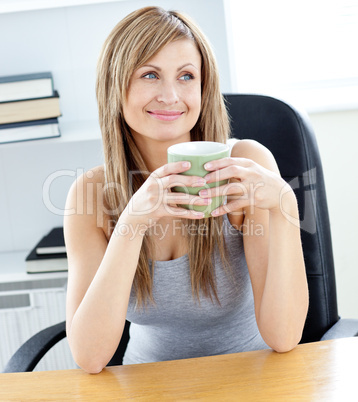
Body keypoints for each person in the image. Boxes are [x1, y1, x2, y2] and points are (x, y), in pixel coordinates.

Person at [64, 6, 309, 374]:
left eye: (186, 76)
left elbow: (284, 336)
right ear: (115, 86)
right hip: (149, 386)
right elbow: (89, 356)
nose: (169, 95)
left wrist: (284, 205)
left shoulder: (245, 165)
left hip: (250, 379)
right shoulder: (93, 194)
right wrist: (133, 221)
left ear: (202, 87)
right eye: (149, 74)